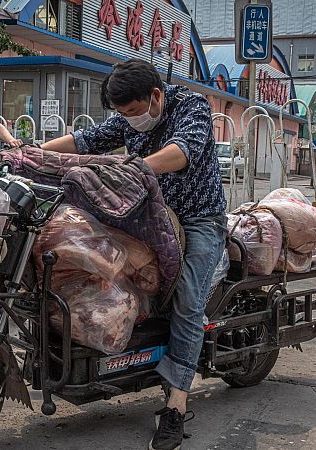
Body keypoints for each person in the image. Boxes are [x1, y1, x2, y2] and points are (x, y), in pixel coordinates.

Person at [41, 59, 227, 450]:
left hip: (198, 220)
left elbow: (182, 150)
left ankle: (175, 406)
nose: (128, 120)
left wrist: (136, 168)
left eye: (132, 112)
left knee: (188, 301)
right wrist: (31, 154)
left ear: (155, 97)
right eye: (122, 115)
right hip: (145, 217)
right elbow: (85, 141)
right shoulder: (129, 117)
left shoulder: (190, 107)